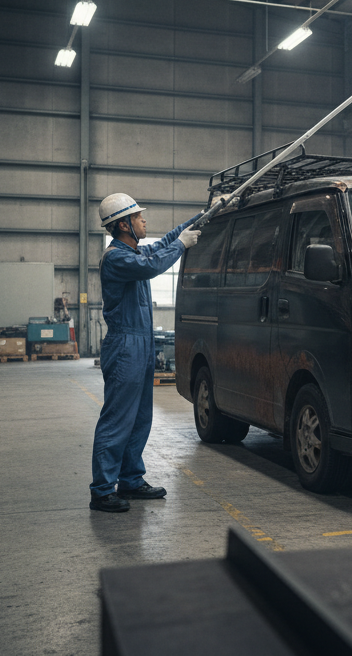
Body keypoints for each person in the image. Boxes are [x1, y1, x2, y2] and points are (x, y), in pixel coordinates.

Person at [89, 192, 228, 513]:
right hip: (124, 346)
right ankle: (101, 490)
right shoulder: (117, 258)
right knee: (117, 419)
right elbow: (154, 263)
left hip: (141, 344)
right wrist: (182, 245)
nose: (144, 221)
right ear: (123, 224)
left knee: (139, 418)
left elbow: (166, 242)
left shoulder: (135, 250)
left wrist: (206, 214)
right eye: (138, 217)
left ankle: (131, 479)